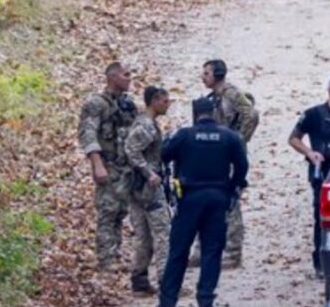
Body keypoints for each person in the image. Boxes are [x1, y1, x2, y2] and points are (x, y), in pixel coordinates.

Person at [159, 97, 249, 307]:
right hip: (218, 198)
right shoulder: (229, 137)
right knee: (212, 251)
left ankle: (167, 300)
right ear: (214, 113)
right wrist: (232, 188)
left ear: (195, 114)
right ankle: (206, 298)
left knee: (179, 251)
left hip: (189, 199)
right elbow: (242, 166)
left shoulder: (184, 135)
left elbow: (163, 155)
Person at [288, 74, 330, 279]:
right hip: (323, 172)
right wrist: (310, 153)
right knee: (322, 218)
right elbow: (294, 138)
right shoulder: (314, 114)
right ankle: (320, 262)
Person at [199, 59, 259, 269]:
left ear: (217, 74)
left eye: (206, 73)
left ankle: (233, 253)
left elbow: (251, 114)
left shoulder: (231, 94)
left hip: (229, 157)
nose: (203, 77)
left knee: (230, 202)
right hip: (215, 156)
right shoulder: (214, 97)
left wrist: (238, 141)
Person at [78, 62, 138, 271]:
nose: (129, 78)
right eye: (125, 75)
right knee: (108, 211)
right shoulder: (96, 104)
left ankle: (115, 253)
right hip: (108, 164)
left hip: (125, 167)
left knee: (121, 211)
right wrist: (97, 164)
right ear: (112, 77)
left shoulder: (127, 104)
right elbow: (87, 133)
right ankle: (106, 258)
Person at [125, 86, 171, 295]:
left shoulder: (144, 122)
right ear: (154, 101)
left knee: (143, 236)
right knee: (162, 233)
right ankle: (166, 281)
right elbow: (131, 149)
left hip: (136, 188)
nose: (167, 104)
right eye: (164, 101)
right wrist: (149, 173)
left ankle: (140, 281)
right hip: (148, 188)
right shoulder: (147, 126)